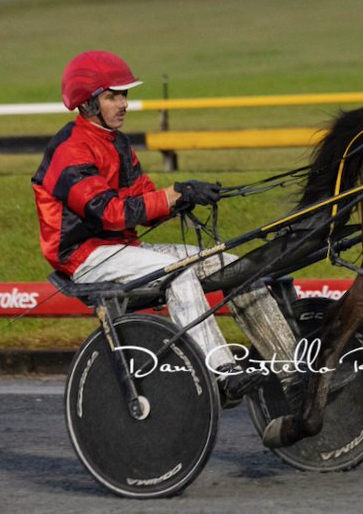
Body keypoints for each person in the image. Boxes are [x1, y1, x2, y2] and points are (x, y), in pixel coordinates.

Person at [32, 50, 296, 403]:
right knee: (178, 271)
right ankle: (221, 374)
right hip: (85, 258)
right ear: (88, 103)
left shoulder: (117, 142)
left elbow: (144, 201)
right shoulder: (70, 150)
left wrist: (184, 197)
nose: (123, 103)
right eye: (113, 96)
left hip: (125, 251)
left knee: (233, 265)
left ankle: (293, 370)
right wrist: (172, 195)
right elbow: (108, 213)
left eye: (124, 95)